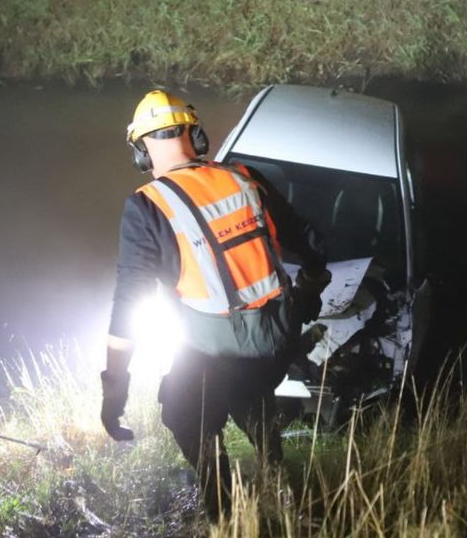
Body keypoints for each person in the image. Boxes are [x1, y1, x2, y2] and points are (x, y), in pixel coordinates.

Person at [99, 89, 330, 521]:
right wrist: (310, 292)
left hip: (213, 350)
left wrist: (114, 389)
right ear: (195, 134)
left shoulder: (147, 207)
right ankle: (278, 482)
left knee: (184, 415)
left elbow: (128, 304)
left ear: (140, 150)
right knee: (251, 390)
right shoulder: (245, 178)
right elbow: (309, 244)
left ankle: (226, 512)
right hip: (275, 342)